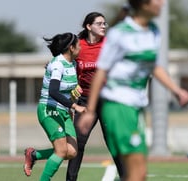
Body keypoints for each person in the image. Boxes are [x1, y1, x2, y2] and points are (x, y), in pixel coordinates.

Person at [78, 0, 188, 181]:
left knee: (139, 173)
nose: (162, 3)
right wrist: (90, 110)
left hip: (136, 108)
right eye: (158, 0)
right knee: (135, 172)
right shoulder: (120, 33)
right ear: (144, 4)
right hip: (118, 106)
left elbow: (153, 66)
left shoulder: (153, 31)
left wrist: (176, 90)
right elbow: (101, 72)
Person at [66, 12, 124, 181]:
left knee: (113, 142)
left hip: (107, 100)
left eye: (105, 23)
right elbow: (65, 63)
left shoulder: (109, 44)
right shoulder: (78, 46)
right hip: (85, 100)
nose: (103, 26)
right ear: (88, 26)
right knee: (78, 142)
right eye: (99, 23)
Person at [23, 32, 86, 181]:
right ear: (71, 48)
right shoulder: (58, 64)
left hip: (63, 111)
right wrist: (74, 106)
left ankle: (34, 155)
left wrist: (73, 93)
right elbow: (53, 91)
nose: (80, 47)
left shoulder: (73, 63)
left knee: (71, 152)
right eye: (78, 45)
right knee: (61, 150)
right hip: (49, 109)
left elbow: (66, 90)